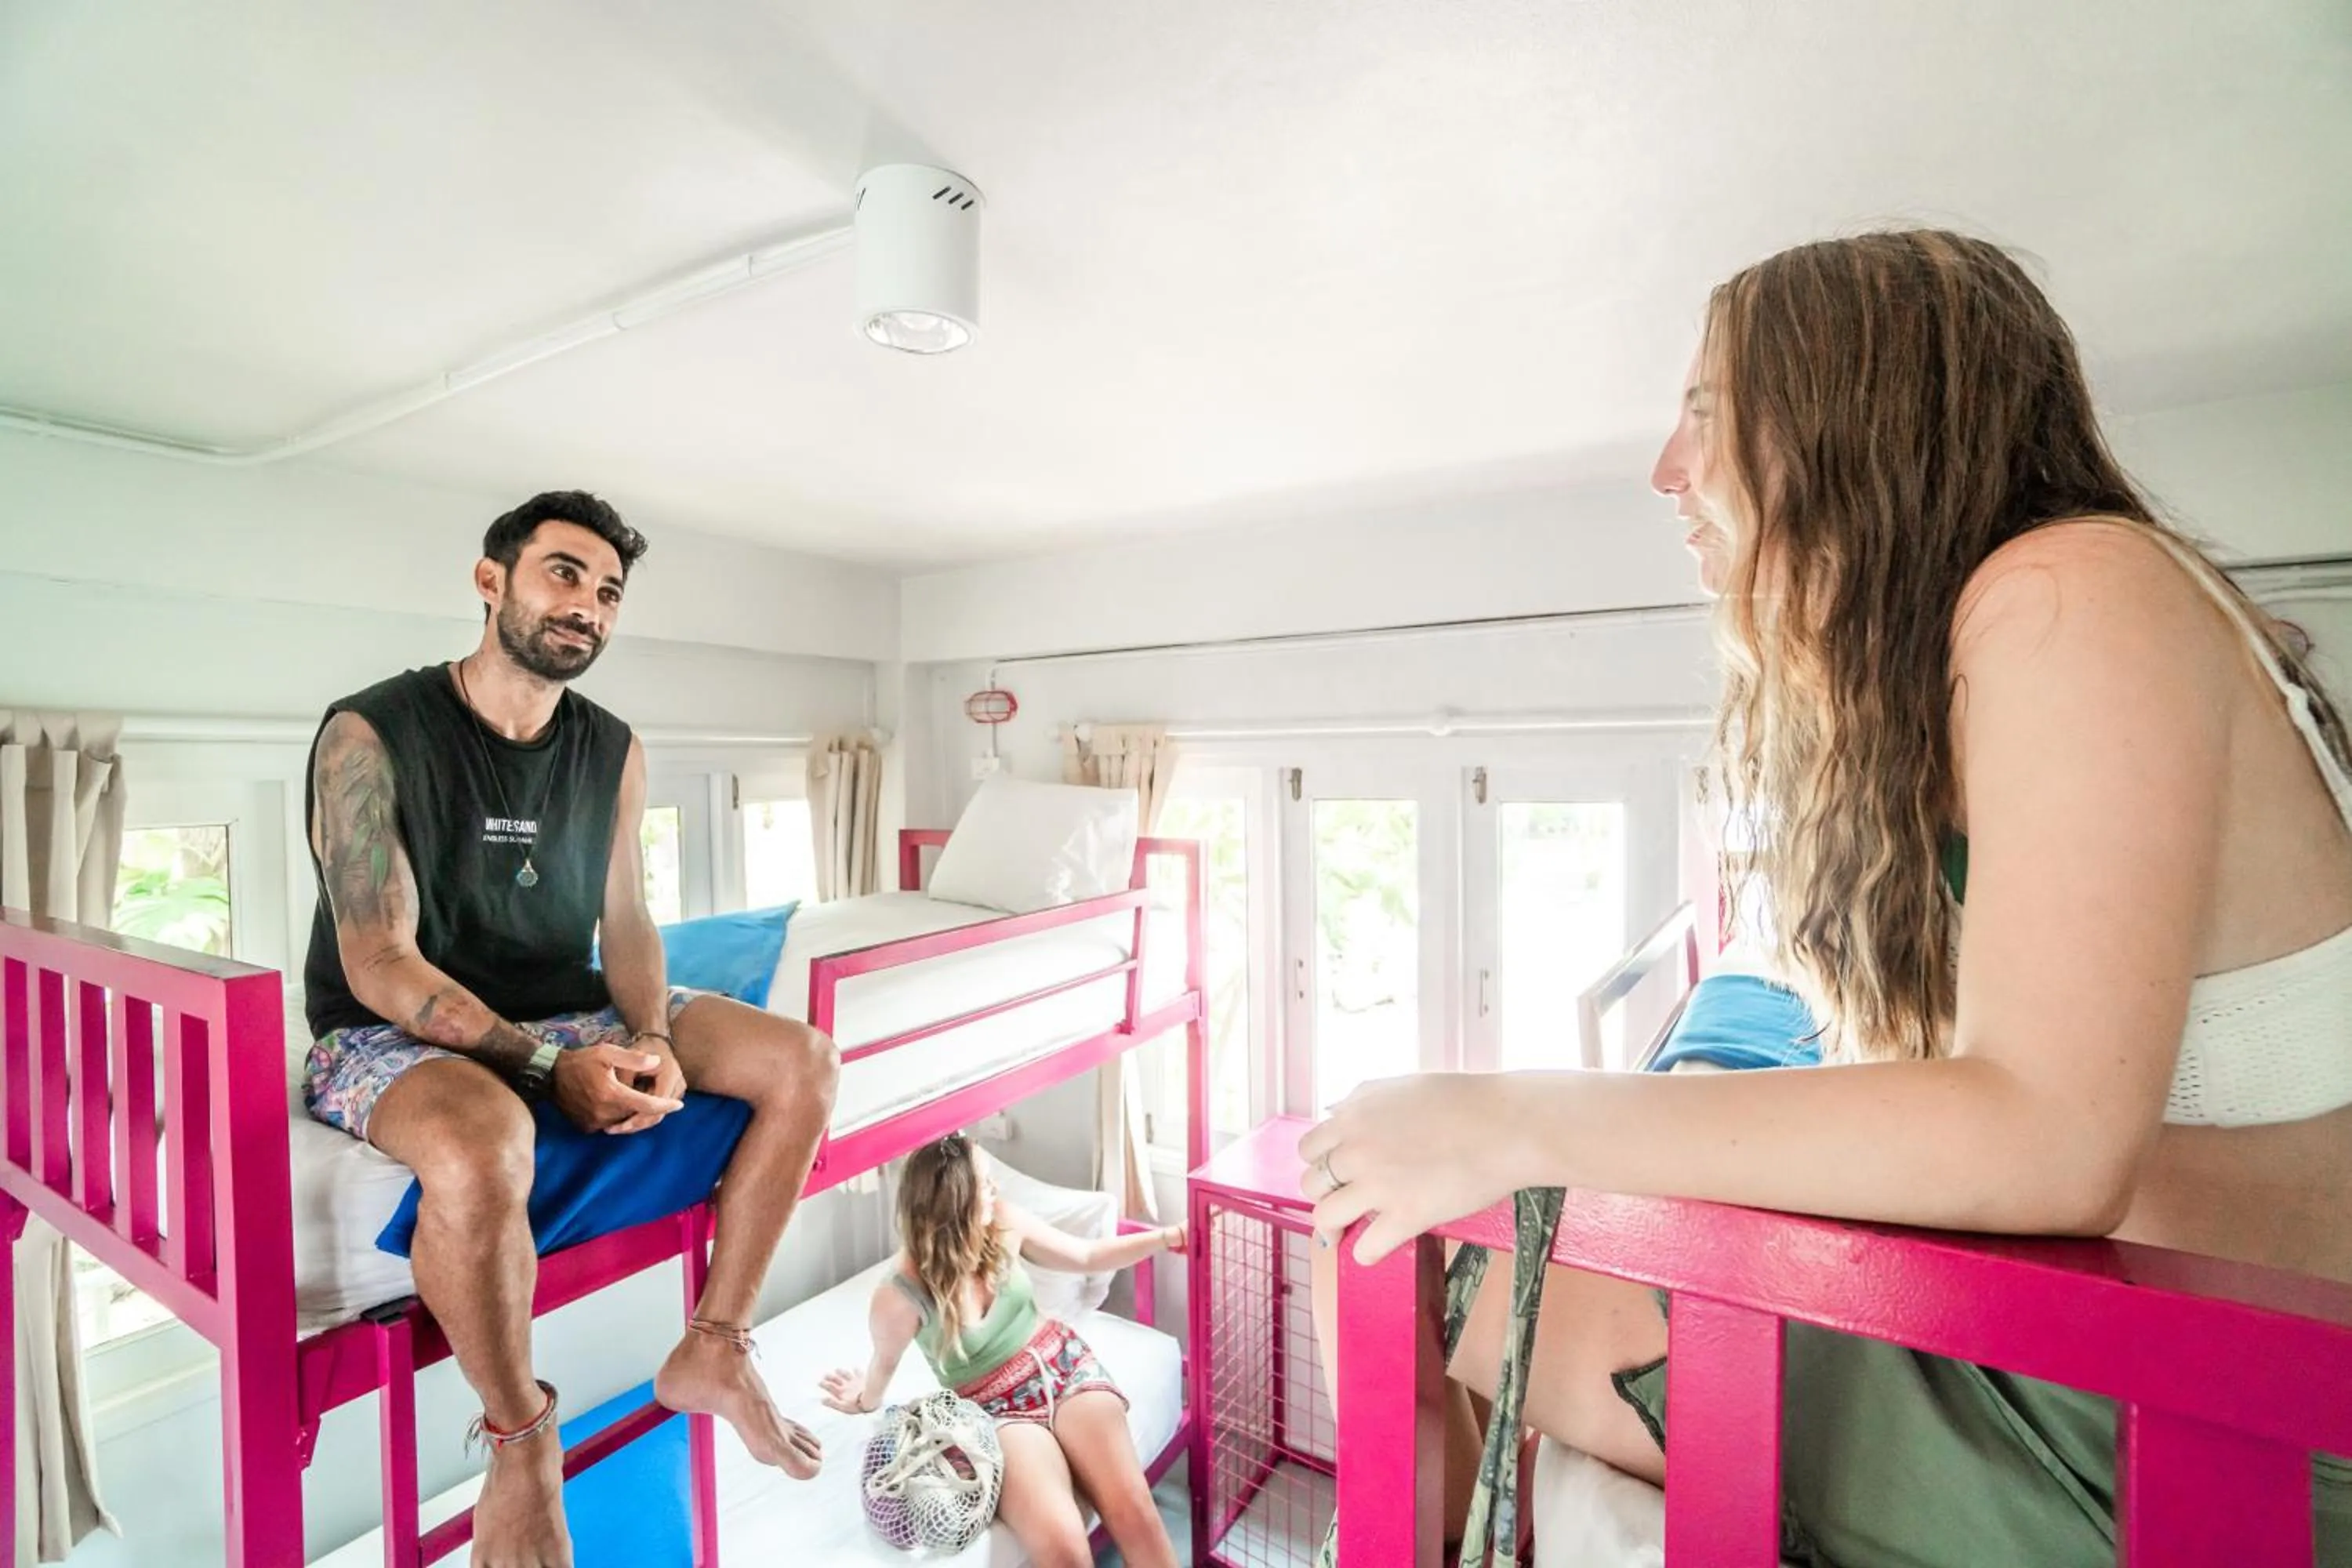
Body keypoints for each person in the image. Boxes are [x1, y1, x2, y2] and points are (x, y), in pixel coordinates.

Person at [1303, 230, 2352, 1564]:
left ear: (1851, 408)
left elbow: (2051, 1137)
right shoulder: (2043, 627)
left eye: (1706, 412)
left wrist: (1513, 1116)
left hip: (2195, 1423)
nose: (1668, 469)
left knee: (1384, 1238)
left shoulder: (2075, 588)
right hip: (2123, 1364)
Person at [302, 490, 840, 1568]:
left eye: (608, 591)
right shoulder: (372, 732)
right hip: (389, 1024)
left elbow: (626, 918)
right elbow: (379, 960)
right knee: (483, 1142)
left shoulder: (612, 746)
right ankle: (520, 1443)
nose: (587, 604)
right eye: (563, 572)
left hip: (569, 996)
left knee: (804, 1059)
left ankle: (717, 1344)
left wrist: (651, 1037)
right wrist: (553, 1068)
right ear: (490, 580)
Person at [818, 1134, 1187, 1568]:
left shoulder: (1004, 1222)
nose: (995, 1190)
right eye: (984, 1184)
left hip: (1062, 1365)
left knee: (1135, 1513)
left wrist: (1169, 1237)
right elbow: (885, 1364)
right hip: (996, 1409)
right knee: (1065, 1553)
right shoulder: (899, 1296)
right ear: (955, 1204)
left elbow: (1086, 1255)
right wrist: (865, 1399)